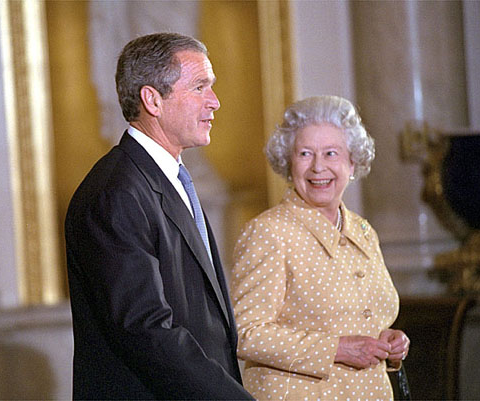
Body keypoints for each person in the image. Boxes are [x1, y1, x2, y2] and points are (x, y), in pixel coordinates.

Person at [65, 32, 253, 400]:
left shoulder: (165, 177)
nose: (214, 102)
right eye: (200, 87)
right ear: (152, 99)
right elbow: (145, 329)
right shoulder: (115, 193)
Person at [231, 95, 410, 400]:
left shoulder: (364, 232)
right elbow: (245, 333)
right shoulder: (269, 232)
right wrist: (336, 349)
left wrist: (388, 341)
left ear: (352, 163)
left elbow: (366, 318)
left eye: (331, 153)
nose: (318, 167)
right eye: (305, 153)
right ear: (288, 163)